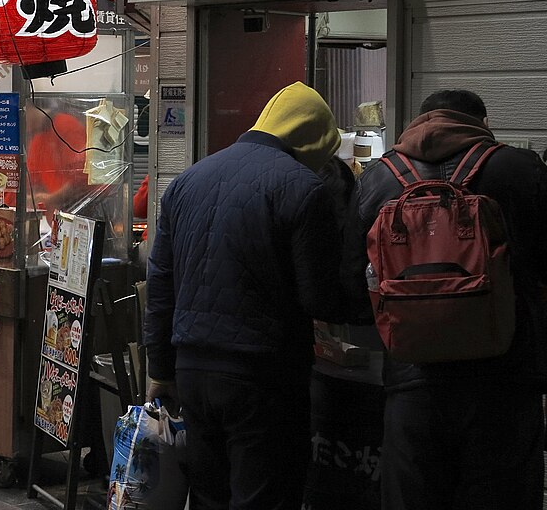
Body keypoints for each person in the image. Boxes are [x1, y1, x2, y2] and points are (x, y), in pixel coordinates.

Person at [143, 82, 363, 509]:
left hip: (192, 372)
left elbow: (161, 286)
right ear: (313, 140)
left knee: (208, 497)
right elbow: (320, 299)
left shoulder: (188, 180)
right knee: (264, 498)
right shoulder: (303, 188)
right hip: (263, 377)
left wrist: (160, 369)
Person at [356, 90, 547, 510]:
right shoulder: (519, 169)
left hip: (410, 380)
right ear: (481, 121)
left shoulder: (379, 177)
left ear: (419, 121)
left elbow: (354, 276)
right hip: (503, 379)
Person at [25, 100, 89, 212]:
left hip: (82, 210)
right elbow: (33, 181)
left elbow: (81, 177)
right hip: (56, 216)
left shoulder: (65, 125)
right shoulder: (36, 139)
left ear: (28, 108)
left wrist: (52, 198)